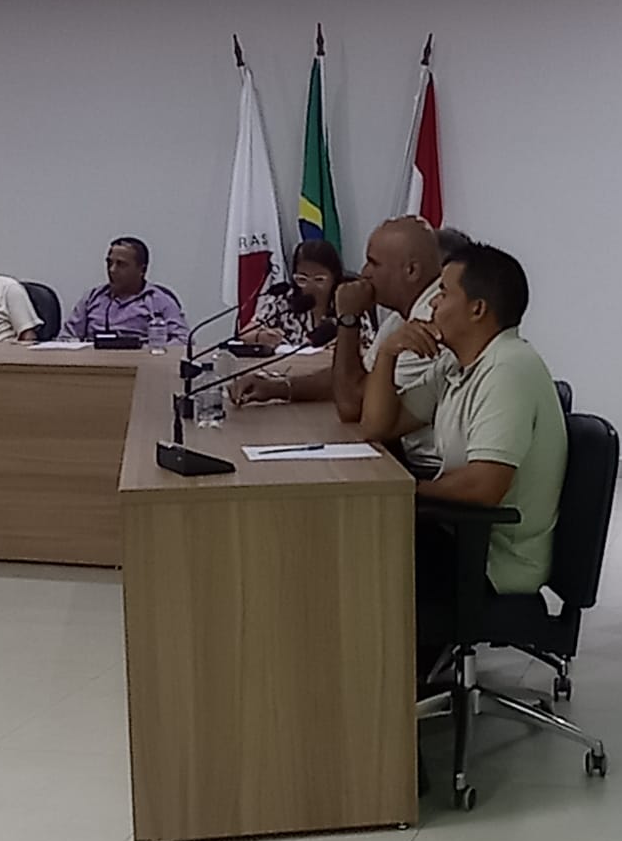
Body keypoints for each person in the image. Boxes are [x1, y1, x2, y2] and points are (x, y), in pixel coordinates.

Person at [361, 241, 567, 651]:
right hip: (461, 536)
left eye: (443, 292)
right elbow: (378, 425)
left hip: (492, 560)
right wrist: (387, 354)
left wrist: (408, 491)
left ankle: (383, 680)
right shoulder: (456, 365)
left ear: (477, 309)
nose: (433, 304)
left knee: (360, 551)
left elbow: (484, 486)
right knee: (358, 538)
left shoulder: (507, 369)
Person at [332, 215, 447, 472]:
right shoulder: (400, 318)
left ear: (411, 271)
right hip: (402, 458)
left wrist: (348, 319)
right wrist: (283, 387)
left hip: (429, 470)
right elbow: (360, 374)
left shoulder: (430, 323)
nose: (364, 273)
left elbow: (353, 404)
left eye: (374, 263)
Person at [232, 240, 374, 405]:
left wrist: (345, 348)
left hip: (328, 387)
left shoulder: (349, 304)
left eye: (319, 279)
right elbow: (244, 332)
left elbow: (369, 350)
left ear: (334, 278)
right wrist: (260, 336)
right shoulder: (285, 301)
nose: (310, 287)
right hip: (288, 376)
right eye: (302, 279)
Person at [61, 237, 187, 343]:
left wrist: (152, 351)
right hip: (95, 362)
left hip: (140, 362)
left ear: (142, 270)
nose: (112, 270)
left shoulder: (159, 301)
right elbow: (66, 338)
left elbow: (183, 340)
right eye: (109, 263)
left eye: (121, 264)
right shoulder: (92, 298)